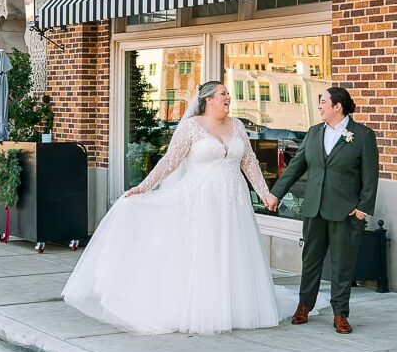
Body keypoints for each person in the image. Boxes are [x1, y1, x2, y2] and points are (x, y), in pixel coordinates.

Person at [62, 81, 289, 335]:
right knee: (203, 252)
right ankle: (201, 308)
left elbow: (249, 163)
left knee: (231, 250)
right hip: (199, 201)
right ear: (208, 100)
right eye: (223, 94)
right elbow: (170, 161)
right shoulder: (192, 127)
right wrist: (144, 186)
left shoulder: (236, 126)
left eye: (228, 94)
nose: (228, 98)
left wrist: (265, 193)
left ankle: (234, 306)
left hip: (233, 201)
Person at [271, 86, 379, 334]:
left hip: (345, 211)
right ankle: (304, 305)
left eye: (322, 102)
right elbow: (296, 167)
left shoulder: (362, 135)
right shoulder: (313, 132)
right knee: (310, 260)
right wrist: (276, 194)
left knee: (343, 264)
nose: (319, 106)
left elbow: (371, 176)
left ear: (337, 106)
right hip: (314, 209)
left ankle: (340, 313)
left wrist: (363, 208)